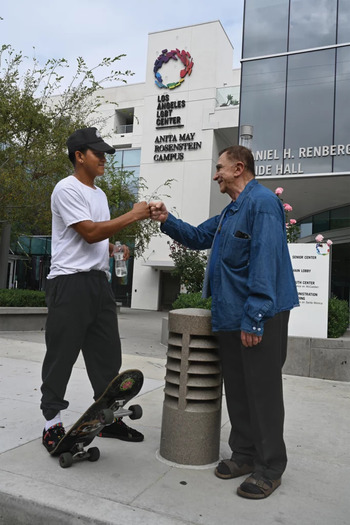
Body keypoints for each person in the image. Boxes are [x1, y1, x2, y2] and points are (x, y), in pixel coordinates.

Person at [150, 145, 299, 499]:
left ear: (238, 167)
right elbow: (200, 237)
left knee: (261, 392)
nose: (215, 174)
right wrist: (166, 219)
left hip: (257, 315)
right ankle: (245, 455)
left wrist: (255, 316)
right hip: (231, 315)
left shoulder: (262, 203)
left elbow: (265, 260)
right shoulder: (232, 210)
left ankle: (270, 467)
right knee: (239, 388)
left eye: (220, 167)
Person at [41, 127, 150, 453]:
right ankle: (51, 422)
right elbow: (88, 232)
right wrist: (132, 215)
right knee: (61, 355)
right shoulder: (66, 189)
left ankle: (106, 418)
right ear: (79, 156)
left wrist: (114, 248)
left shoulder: (99, 195)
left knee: (107, 356)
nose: (104, 158)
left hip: (97, 283)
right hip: (69, 282)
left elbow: (96, 239)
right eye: (97, 153)